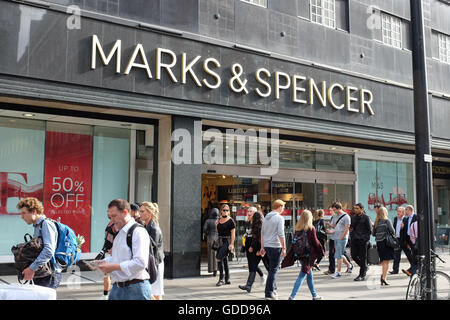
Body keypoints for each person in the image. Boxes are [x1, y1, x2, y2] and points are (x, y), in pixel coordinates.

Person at [95, 199, 151, 300]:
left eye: (114, 216)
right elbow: (118, 258)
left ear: (125, 213)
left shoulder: (138, 232)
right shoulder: (120, 232)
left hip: (135, 289)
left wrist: (113, 266)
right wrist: (103, 262)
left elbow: (140, 263)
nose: (111, 221)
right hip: (118, 288)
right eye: (110, 217)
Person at [17, 197, 62, 289]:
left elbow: (48, 251)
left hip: (49, 275)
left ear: (34, 211)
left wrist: (31, 268)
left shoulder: (46, 224)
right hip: (43, 274)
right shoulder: (38, 226)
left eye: (24, 213)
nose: (22, 216)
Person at [288, 210, 325, 300]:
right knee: (302, 275)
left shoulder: (297, 228)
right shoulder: (311, 228)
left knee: (309, 275)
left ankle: (314, 295)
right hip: (308, 256)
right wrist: (322, 252)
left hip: (300, 254)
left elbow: (293, 243)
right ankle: (292, 297)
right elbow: (316, 242)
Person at [260, 199, 286, 300]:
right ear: (279, 207)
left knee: (272, 269)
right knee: (274, 270)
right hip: (276, 246)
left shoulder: (266, 217)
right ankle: (269, 292)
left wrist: (262, 247)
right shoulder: (279, 218)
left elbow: (262, 233)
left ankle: (274, 289)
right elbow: (281, 234)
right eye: (283, 207)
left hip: (267, 245)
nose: (283, 209)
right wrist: (284, 247)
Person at [139, 201, 165, 300]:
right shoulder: (145, 226)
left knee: (156, 293)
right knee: (151, 292)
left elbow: (152, 249)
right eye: (140, 211)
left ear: (149, 213)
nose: (139, 213)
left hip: (155, 264)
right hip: (150, 263)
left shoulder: (154, 228)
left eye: (142, 211)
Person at [239, 209, 268, 293]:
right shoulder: (250, 223)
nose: (248, 213)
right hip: (254, 247)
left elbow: (257, 238)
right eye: (248, 211)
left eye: (250, 211)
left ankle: (272, 286)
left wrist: (258, 248)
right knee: (253, 266)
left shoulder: (259, 225)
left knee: (268, 267)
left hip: (259, 248)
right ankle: (249, 285)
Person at [94, 212, 118, 298]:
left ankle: (106, 295)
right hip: (106, 251)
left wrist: (114, 249)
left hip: (111, 253)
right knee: (106, 274)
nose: (108, 212)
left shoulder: (116, 225)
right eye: (107, 211)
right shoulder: (110, 223)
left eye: (110, 211)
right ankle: (105, 294)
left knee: (108, 274)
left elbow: (119, 237)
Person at [326, 202, 352, 279]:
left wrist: (341, 237)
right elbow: (335, 226)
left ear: (339, 208)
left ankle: (338, 272)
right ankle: (349, 265)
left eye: (335, 210)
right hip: (335, 237)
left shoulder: (346, 217)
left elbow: (347, 229)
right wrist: (330, 227)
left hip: (342, 238)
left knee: (339, 255)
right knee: (338, 254)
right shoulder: (335, 216)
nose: (334, 211)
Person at [349, 203, 373, 281]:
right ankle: (365, 267)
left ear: (362, 209)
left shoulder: (366, 218)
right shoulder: (353, 218)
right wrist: (351, 234)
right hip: (354, 240)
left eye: (357, 208)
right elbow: (352, 228)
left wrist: (364, 239)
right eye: (354, 208)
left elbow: (370, 230)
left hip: (363, 241)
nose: (355, 210)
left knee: (363, 258)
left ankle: (362, 275)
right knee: (354, 255)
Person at [372, 206, 395, 286]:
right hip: (386, 242)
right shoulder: (387, 221)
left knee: (383, 260)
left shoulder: (376, 222)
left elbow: (373, 234)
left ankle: (383, 277)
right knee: (386, 261)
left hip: (379, 243)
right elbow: (392, 231)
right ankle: (384, 278)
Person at [215, 204, 236, 286]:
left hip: (227, 241)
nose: (225, 211)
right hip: (220, 241)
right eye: (224, 210)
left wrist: (232, 244)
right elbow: (218, 232)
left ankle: (221, 278)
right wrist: (216, 225)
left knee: (218, 259)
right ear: (221, 211)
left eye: (227, 210)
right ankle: (227, 278)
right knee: (224, 260)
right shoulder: (218, 220)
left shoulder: (231, 221)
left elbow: (233, 233)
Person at [401, 205, 418, 277]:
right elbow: (405, 230)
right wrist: (407, 242)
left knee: (415, 256)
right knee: (413, 256)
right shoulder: (406, 219)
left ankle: (412, 271)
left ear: (410, 210)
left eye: (406, 209)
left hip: (416, 240)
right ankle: (412, 271)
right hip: (409, 239)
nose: (405, 211)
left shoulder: (416, 217)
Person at [203, 207, 220, 276]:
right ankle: (217, 269)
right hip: (218, 238)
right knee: (218, 254)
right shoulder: (219, 220)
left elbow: (204, 229)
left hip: (210, 237)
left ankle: (212, 269)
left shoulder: (208, 221)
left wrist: (207, 233)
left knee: (211, 254)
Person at [390, 207, 406, 274]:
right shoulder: (396, 219)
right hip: (397, 239)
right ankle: (395, 270)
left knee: (409, 255)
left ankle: (413, 269)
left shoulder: (405, 219)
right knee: (396, 256)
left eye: (399, 211)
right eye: (398, 211)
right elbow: (393, 228)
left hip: (404, 240)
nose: (398, 213)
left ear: (403, 213)